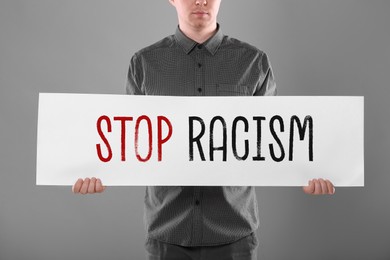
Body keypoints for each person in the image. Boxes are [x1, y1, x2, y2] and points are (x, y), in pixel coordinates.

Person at [73, 0, 335, 259]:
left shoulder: (254, 62)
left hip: (235, 237)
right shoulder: (144, 63)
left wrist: (303, 174)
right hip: (166, 235)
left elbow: (275, 140)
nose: (200, 0)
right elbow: (129, 142)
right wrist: (100, 173)